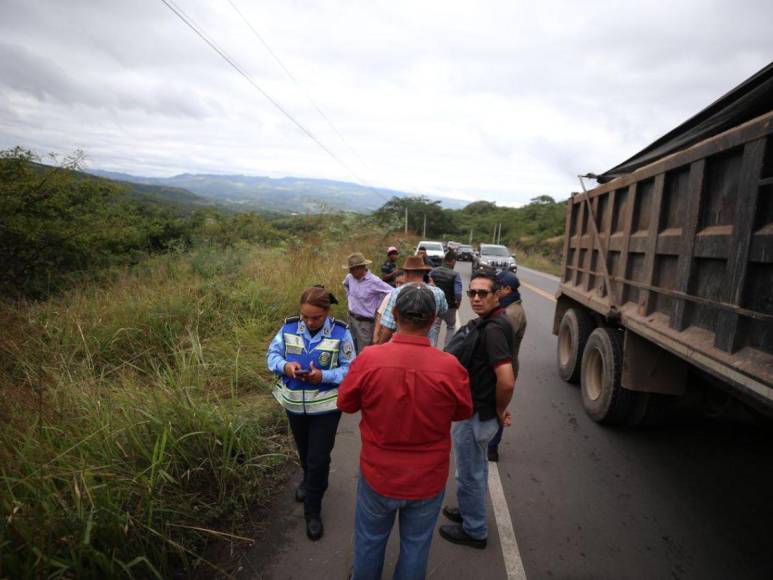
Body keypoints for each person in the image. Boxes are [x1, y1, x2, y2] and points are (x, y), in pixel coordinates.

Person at [338, 284, 473, 580]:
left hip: (378, 473)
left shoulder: (369, 359)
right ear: (433, 318)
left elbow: (346, 404)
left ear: (395, 314)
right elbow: (463, 412)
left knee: (369, 541)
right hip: (427, 478)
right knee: (416, 546)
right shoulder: (450, 367)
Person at [266, 286, 356, 541]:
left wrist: (323, 376)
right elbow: (271, 356)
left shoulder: (341, 333)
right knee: (305, 452)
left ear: (327, 312)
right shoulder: (288, 328)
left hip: (326, 407)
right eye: (305, 316)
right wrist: (285, 365)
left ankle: (312, 511)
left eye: (315, 317)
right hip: (294, 405)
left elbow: (352, 368)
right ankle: (309, 481)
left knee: (318, 457)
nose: (309, 322)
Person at [439, 272, 515, 549]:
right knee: (476, 468)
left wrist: (499, 409)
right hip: (478, 410)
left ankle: (475, 530)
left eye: (483, 293)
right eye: (472, 293)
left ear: (498, 295)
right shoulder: (493, 321)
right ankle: (471, 510)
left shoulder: (493, 329)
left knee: (469, 472)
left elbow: (506, 379)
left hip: (477, 412)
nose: (476, 298)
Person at [487, 270, 527, 462]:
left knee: (498, 406)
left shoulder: (512, 313)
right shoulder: (508, 307)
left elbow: (498, 340)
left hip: (504, 367)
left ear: (507, 289)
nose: (494, 290)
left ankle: (491, 448)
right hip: (501, 364)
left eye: (498, 287)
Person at [377, 256, 448, 348]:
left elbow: (388, 327)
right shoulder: (438, 293)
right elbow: (443, 313)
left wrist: (380, 346)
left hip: (401, 348)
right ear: (423, 272)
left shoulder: (397, 292)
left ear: (407, 273)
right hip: (428, 346)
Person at [342, 252, 394, 354]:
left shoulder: (374, 281)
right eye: (350, 269)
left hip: (365, 324)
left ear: (362, 267)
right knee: (349, 350)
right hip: (351, 319)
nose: (351, 271)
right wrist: (349, 299)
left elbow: (393, 292)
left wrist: (381, 308)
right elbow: (345, 285)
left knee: (363, 352)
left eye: (353, 269)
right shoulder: (350, 277)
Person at [430, 250, 462, 348]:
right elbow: (458, 293)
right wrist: (458, 303)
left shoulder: (433, 271)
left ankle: (433, 346)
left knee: (435, 327)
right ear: (452, 261)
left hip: (436, 305)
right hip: (450, 306)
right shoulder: (455, 275)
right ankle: (447, 348)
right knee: (451, 326)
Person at [373, 270, 406, 343]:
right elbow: (379, 314)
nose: (398, 286)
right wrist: (376, 335)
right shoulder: (390, 295)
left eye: (401, 283)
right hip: (388, 337)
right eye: (397, 283)